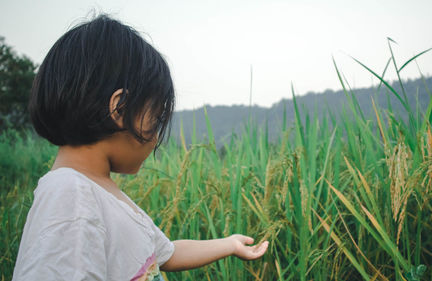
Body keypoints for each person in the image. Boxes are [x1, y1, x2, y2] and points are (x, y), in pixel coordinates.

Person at [12, 14, 268, 281]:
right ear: (120, 109)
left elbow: (166, 254)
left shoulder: (99, 190)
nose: (157, 137)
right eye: (156, 120)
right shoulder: (71, 194)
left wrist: (228, 244)